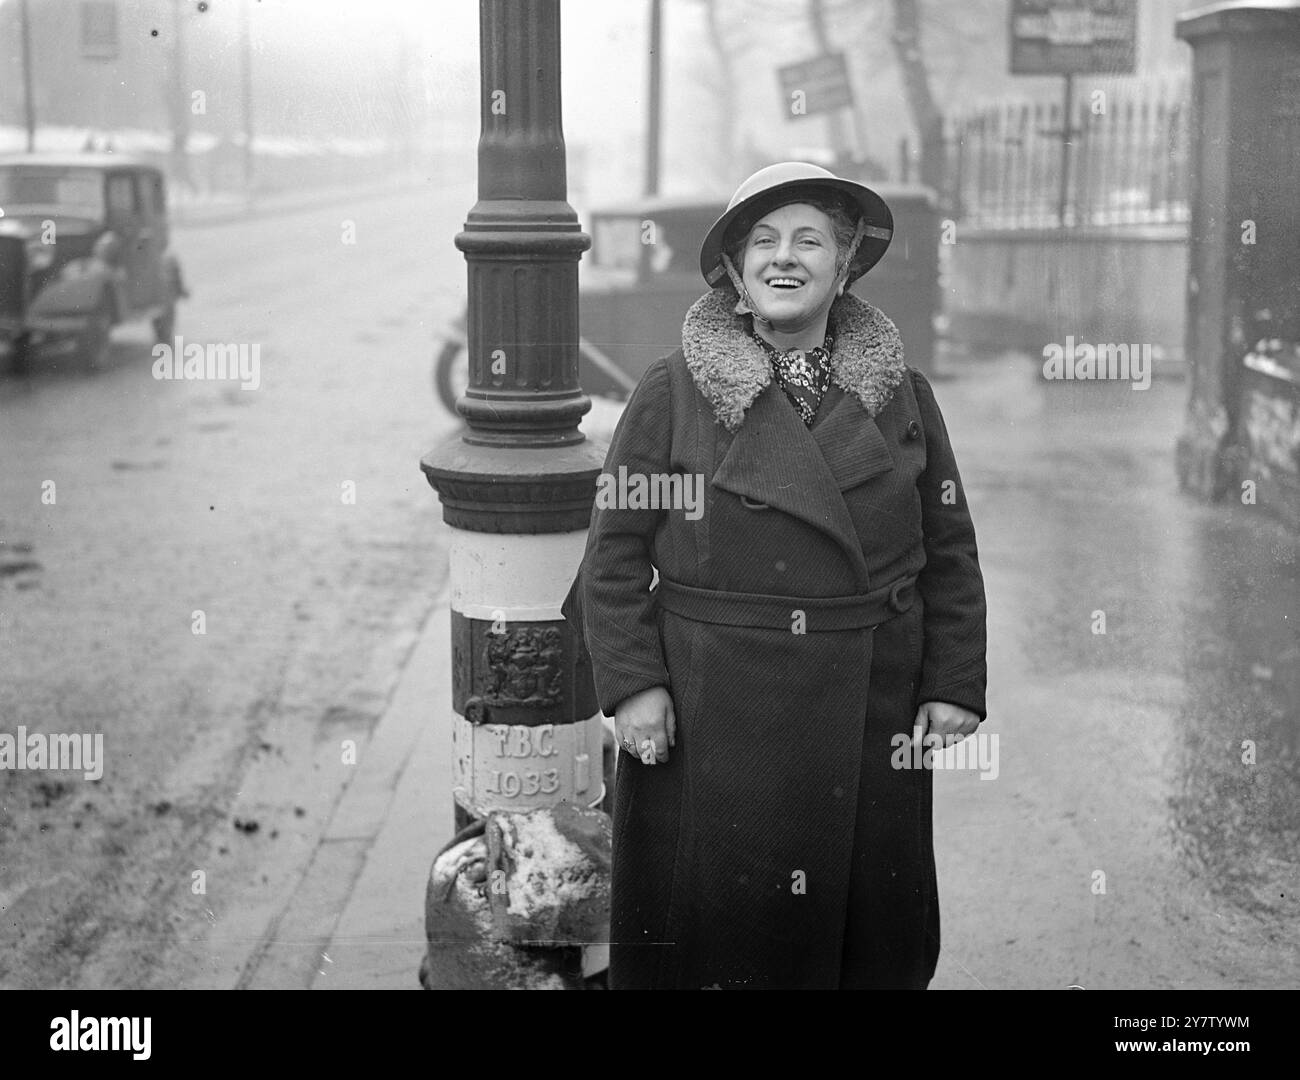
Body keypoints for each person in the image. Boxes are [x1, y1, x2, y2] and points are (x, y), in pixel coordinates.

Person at [561, 162, 988, 990]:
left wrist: (954, 681)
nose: (782, 259)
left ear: (845, 263)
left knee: (864, 944)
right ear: (734, 268)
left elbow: (950, 549)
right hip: (712, 711)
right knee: (716, 943)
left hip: (869, 710)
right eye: (761, 242)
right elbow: (612, 555)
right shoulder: (673, 392)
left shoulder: (903, 396)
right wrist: (634, 686)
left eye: (808, 241)